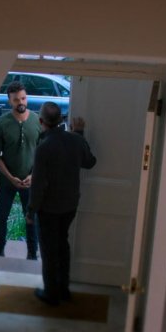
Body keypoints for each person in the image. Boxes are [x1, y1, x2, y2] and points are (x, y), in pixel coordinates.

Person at [28, 102, 97, 305]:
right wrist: (80, 134)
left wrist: (31, 211)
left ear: (41, 121)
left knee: (49, 251)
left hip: (48, 209)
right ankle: (64, 289)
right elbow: (90, 162)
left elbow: (38, 184)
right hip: (70, 205)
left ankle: (51, 294)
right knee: (62, 246)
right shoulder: (75, 140)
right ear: (61, 119)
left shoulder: (44, 148)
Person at [0, 80, 41, 259]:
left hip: (30, 180)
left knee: (31, 217)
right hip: (7, 180)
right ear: (9, 101)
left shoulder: (37, 121)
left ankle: (32, 254)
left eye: (23, 98)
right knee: (1, 216)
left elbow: (42, 154)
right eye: (16, 100)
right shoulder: (1, 124)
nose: (21, 102)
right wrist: (10, 177)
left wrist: (33, 176)